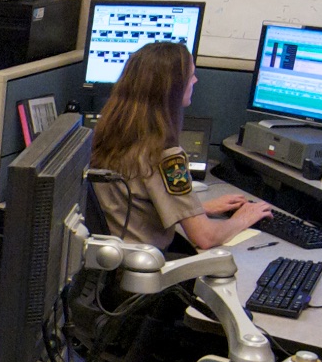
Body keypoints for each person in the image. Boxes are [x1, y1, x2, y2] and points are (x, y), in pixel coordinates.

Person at [89, 41, 272, 250]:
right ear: (172, 89)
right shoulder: (165, 156)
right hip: (145, 263)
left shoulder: (110, 136)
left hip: (114, 256)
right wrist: (243, 218)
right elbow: (204, 237)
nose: (195, 80)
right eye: (191, 75)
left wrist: (199, 209)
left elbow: (135, 204)